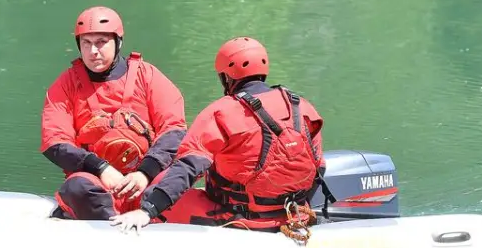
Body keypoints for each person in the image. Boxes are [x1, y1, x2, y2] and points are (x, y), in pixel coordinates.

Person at [110, 36, 324, 234]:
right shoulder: (301, 106)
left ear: (226, 77)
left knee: (156, 190)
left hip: (242, 220)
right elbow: (319, 166)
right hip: (296, 215)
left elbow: (188, 167)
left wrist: (148, 210)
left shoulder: (221, 112)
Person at [41, 6, 187, 220]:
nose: (93, 51)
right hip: (97, 183)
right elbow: (54, 142)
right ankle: (112, 228)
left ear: (118, 42)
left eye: (101, 42)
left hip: (145, 179)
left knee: (175, 181)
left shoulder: (148, 77)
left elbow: (174, 130)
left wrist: (145, 173)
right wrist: (100, 168)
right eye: (86, 43)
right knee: (77, 187)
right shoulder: (66, 84)